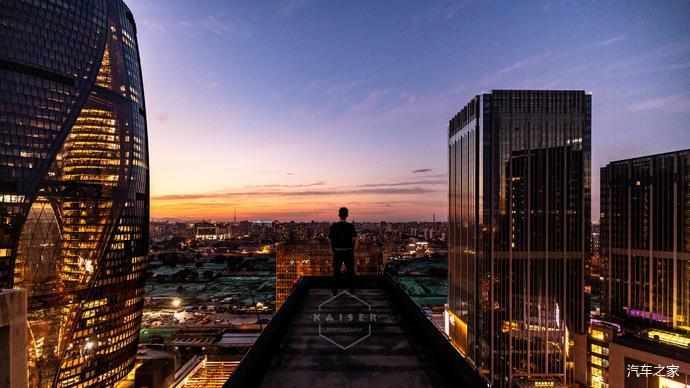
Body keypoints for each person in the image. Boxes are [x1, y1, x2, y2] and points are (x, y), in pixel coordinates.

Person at [328, 207, 357, 295]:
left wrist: (332, 250)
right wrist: (354, 251)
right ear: (347, 215)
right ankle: (351, 290)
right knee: (351, 271)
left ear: (339, 215)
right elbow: (354, 240)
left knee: (336, 271)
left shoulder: (334, 226)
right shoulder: (350, 226)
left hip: (337, 251)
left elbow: (330, 239)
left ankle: (334, 291)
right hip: (348, 251)